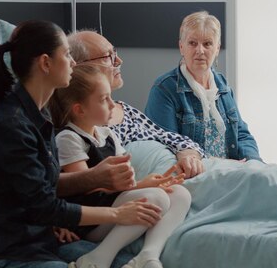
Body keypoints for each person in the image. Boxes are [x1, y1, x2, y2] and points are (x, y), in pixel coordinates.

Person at [0, 20, 164, 268]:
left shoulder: (40, 117)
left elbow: (42, 185)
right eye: (67, 55)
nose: (74, 63)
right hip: (5, 255)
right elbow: (44, 206)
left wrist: (97, 181)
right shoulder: (9, 126)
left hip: (43, 243)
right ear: (46, 63)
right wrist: (117, 214)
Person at [49, 64, 191, 268]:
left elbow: (123, 184)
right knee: (155, 197)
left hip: (112, 205)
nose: (112, 105)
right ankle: (97, 258)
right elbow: (86, 188)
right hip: (90, 219)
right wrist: (143, 187)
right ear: (79, 110)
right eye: (103, 99)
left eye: (110, 97)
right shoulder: (69, 138)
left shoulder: (108, 134)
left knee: (179, 193)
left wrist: (148, 183)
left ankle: (148, 255)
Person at [67, 30, 206, 179]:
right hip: (165, 182)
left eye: (115, 52)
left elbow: (168, 137)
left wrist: (189, 155)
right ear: (80, 67)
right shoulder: (82, 128)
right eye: (108, 57)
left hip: (191, 170)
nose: (119, 61)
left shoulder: (126, 111)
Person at [145, 11, 262, 161]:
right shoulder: (164, 89)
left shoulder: (223, 87)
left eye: (207, 44)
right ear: (181, 47)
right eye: (192, 43)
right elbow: (162, 148)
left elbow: (242, 135)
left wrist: (253, 162)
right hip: (193, 176)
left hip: (231, 171)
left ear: (217, 48)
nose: (200, 50)